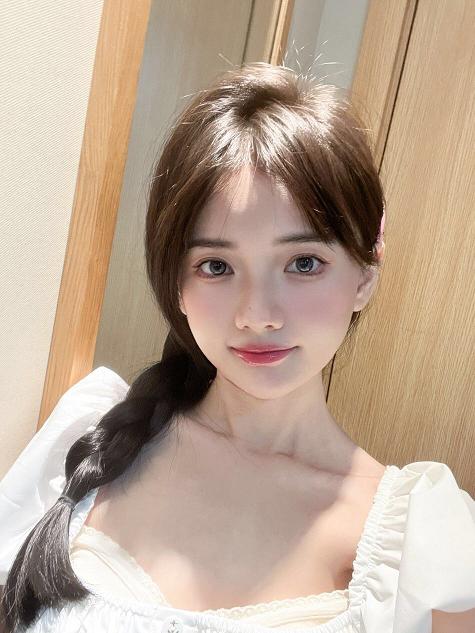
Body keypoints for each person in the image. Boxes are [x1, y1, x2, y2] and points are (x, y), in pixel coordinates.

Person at [0, 62, 474, 633]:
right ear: (176, 281)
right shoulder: (86, 447)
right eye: (217, 266)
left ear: (365, 273)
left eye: (304, 263)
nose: (256, 315)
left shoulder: (419, 546)